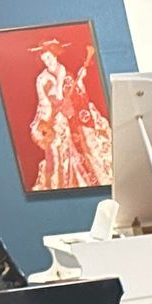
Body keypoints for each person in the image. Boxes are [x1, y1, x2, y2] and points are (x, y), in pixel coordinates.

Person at [28, 37, 112, 190]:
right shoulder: (43, 79)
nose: (47, 61)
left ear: (55, 55)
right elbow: (54, 99)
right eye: (44, 58)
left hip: (71, 118)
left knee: (86, 148)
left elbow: (77, 95)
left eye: (48, 56)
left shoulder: (65, 72)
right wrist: (60, 83)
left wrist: (80, 81)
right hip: (51, 122)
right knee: (57, 158)